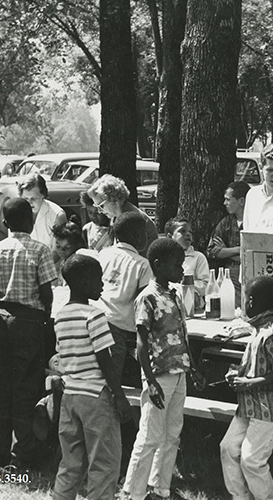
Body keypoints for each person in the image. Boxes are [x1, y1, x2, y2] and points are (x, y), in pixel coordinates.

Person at [122, 238, 206, 500]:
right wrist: (150, 380)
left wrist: (192, 368)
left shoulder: (174, 293)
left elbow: (182, 335)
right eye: (176, 265)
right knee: (150, 436)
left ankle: (160, 488)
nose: (181, 270)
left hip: (178, 373)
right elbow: (140, 342)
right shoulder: (147, 298)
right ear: (158, 264)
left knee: (172, 435)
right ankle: (132, 492)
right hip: (159, 375)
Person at [0, 198, 58, 469]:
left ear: (4, 223)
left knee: (0, 389)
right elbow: (47, 293)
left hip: (2, 320)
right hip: (30, 321)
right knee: (26, 387)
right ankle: (21, 455)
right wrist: (46, 316)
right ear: (32, 220)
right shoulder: (40, 250)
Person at [52, 254, 134, 500]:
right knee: (104, 462)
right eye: (98, 280)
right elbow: (105, 360)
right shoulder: (94, 314)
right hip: (96, 397)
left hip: (71, 396)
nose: (102, 285)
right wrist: (120, 397)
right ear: (84, 282)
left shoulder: (61, 315)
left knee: (71, 461)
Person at [220, 275, 273, 500]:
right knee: (228, 448)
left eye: (246, 299)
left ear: (250, 302)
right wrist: (237, 374)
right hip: (249, 405)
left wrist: (248, 383)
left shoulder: (271, 332)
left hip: (270, 408)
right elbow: (256, 365)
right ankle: (240, 497)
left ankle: (269, 497)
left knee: (251, 460)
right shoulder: (256, 330)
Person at [97, 211, 153, 380]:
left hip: (95, 319)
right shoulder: (142, 265)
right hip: (116, 328)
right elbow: (143, 303)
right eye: (144, 232)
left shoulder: (103, 254)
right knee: (111, 378)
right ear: (137, 235)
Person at [87, 174, 158, 257]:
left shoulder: (132, 220)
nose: (99, 211)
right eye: (97, 207)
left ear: (114, 199)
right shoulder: (115, 216)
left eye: (101, 206)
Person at [208, 181, 249, 303]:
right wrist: (239, 250)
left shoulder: (254, 222)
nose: (224, 203)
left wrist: (226, 251)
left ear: (241, 201)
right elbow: (212, 251)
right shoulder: (226, 223)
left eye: (228, 200)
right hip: (230, 275)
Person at [166, 217, 209, 304]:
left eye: (190, 232)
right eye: (182, 231)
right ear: (170, 237)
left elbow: (206, 286)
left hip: (192, 305)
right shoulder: (164, 258)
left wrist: (185, 283)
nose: (188, 234)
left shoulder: (198, 257)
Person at [17, 174, 67, 249]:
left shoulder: (57, 215)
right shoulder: (16, 213)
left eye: (34, 198)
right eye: (26, 198)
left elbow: (58, 250)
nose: (30, 202)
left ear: (43, 195)